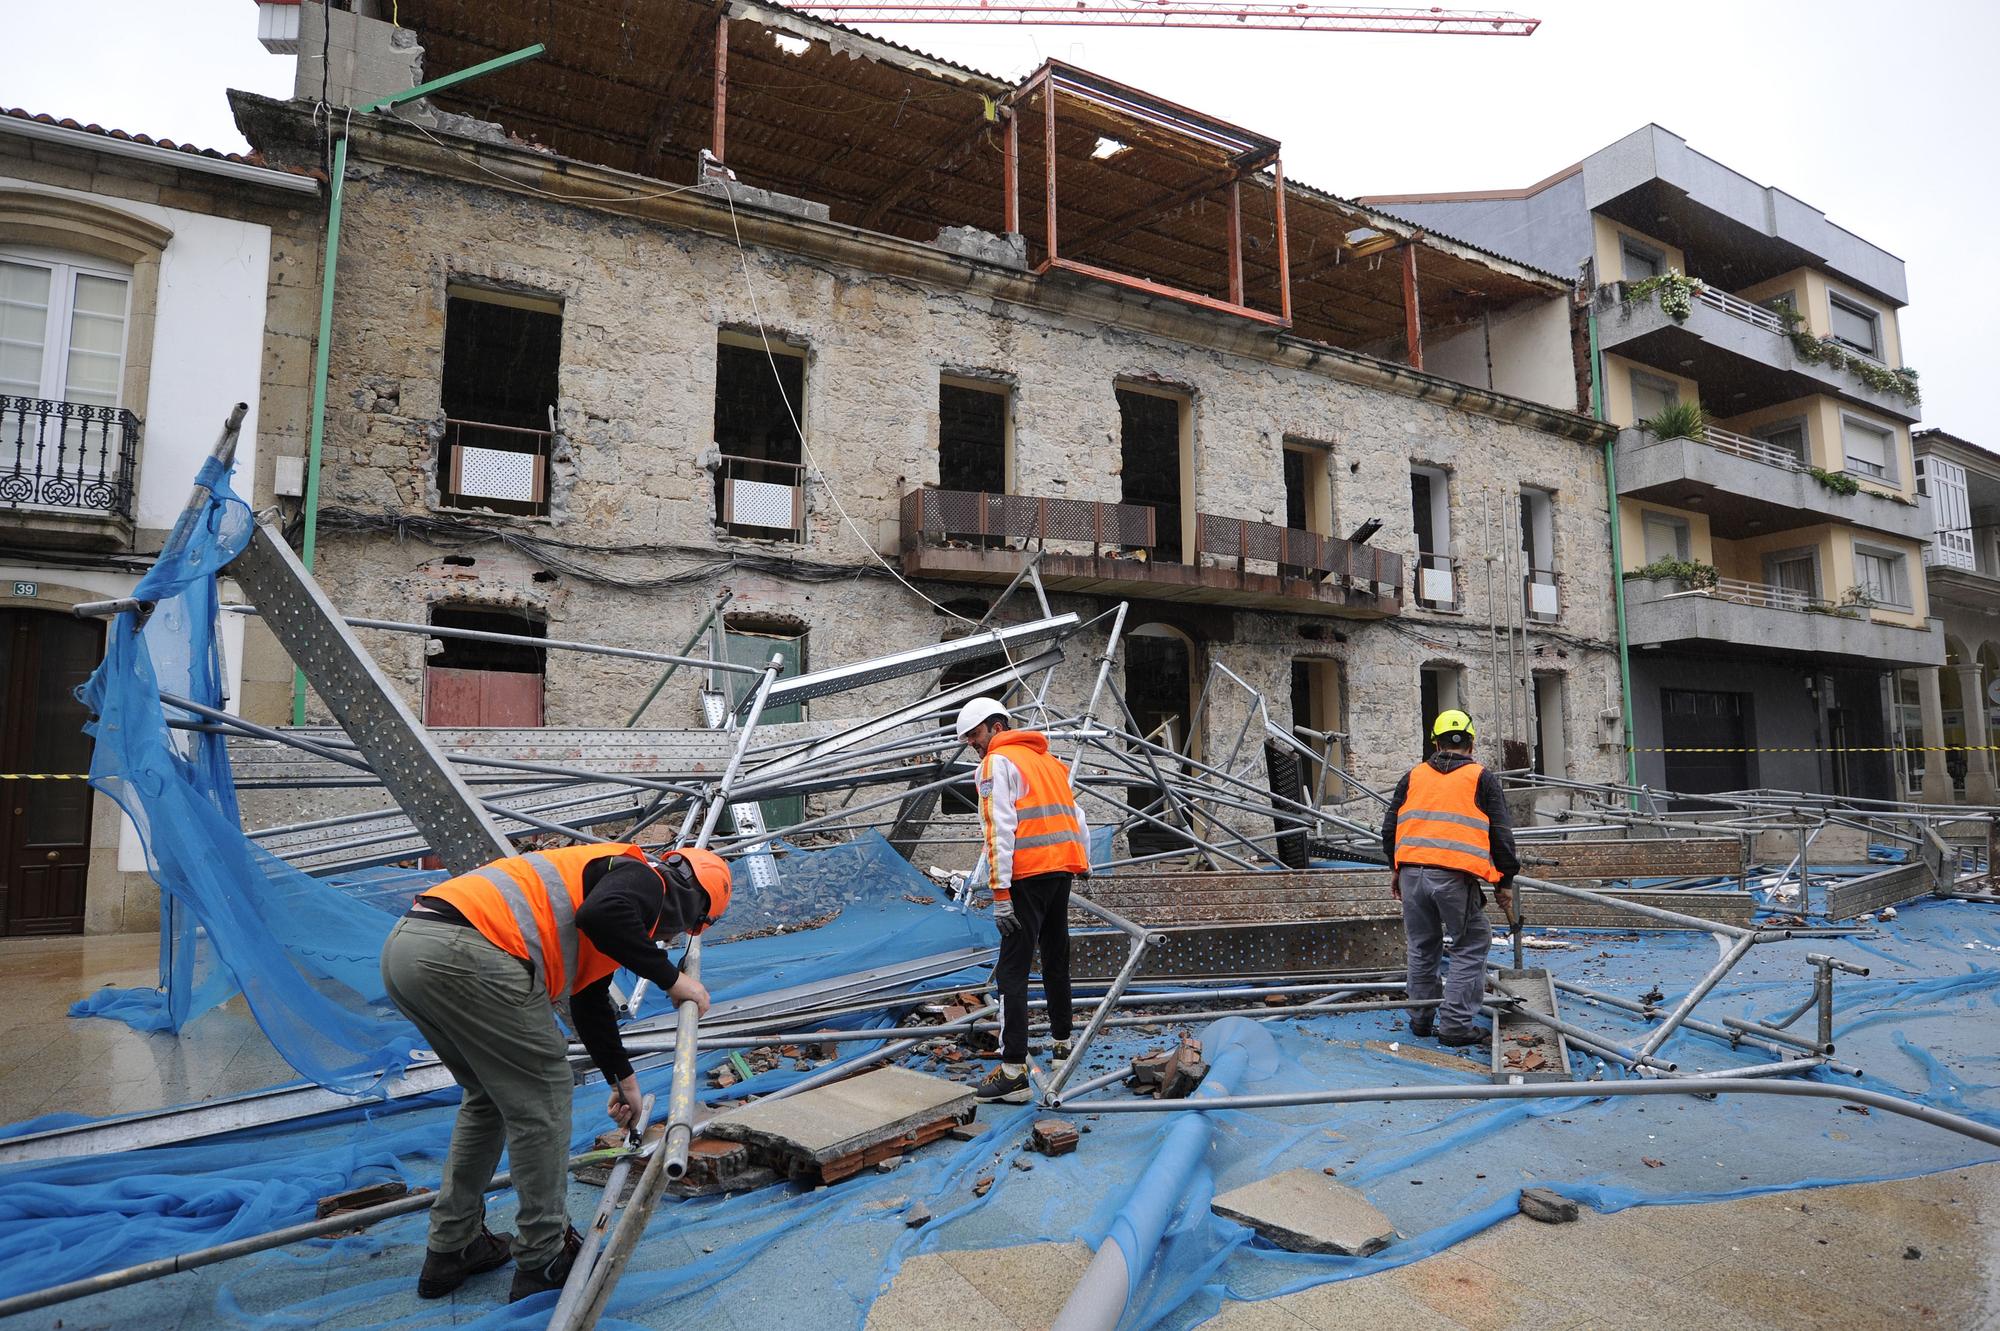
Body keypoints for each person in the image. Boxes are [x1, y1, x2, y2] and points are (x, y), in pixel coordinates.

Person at [379, 842, 731, 1302]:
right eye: (685, 926)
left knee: (487, 1098)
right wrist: (673, 978)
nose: (672, 936)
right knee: (543, 1096)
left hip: (410, 949)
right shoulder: (643, 877)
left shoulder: (605, 886)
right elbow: (603, 917)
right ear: (693, 899)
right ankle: (545, 1254)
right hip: (469, 953)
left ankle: (453, 1245)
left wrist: (623, 1080)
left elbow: (588, 1002)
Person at [955, 696, 1090, 1102]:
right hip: (1060, 871)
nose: (973, 744)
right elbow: (1076, 816)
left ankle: (1013, 1070)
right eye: (967, 739)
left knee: (1012, 972)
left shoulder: (997, 763)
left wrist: (1000, 893)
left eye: (975, 735)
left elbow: (999, 828)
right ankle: (1063, 1045)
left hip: (1026, 877)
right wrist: (1082, 861)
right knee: (1055, 959)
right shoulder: (1049, 762)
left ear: (997, 727)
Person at [1380, 709, 1519, 1047]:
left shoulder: (1413, 776)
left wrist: (1396, 870)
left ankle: (1421, 1019)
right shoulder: (1480, 777)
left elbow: (1389, 829)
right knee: (1470, 943)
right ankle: (1455, 1026)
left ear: (1435, 743)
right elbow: (1501, 834)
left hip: (1412, 875)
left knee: (1422, 946)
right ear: (1471, 742)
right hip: (1454, 879)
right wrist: (1504, 882)